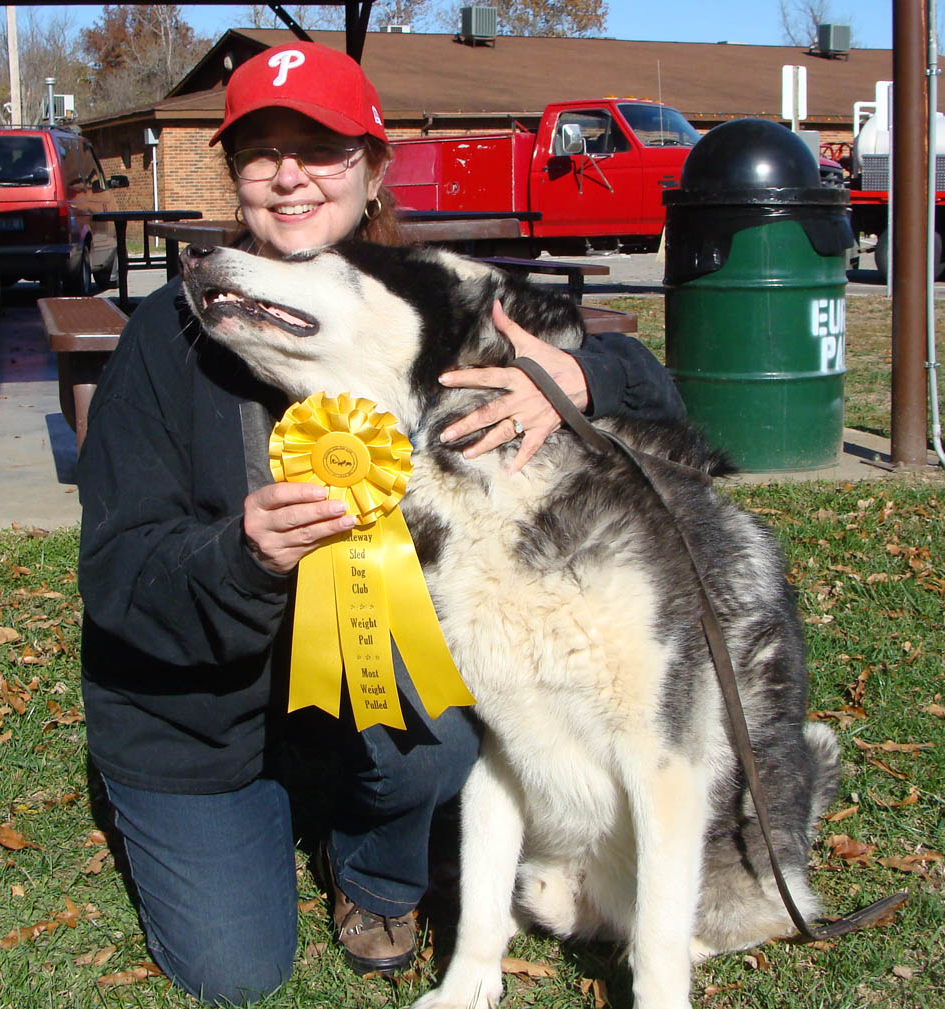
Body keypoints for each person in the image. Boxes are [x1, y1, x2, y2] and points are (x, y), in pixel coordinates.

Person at [76, 41, 686, 1007]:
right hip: (202, 725)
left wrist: (582, 379)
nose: (288, 177)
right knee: (236, 971)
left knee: (445, 734)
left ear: (369, 167)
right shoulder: (172, 334)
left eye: (318, 148)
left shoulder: (420, 296)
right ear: (234, 175)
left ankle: (373, 871)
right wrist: (241, 556)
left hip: (371, 681)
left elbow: (661, 404)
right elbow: (115, 578)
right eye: (259, 153)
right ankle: (260, 814)